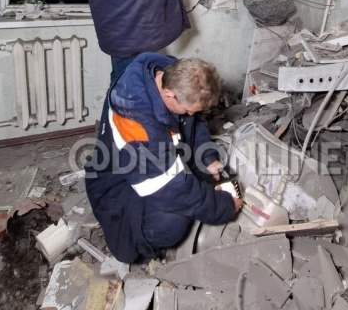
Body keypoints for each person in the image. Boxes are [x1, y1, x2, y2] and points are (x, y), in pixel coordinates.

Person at [84, 53, 242, 263]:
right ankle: (139, 247)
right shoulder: (137, 125)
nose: (190, 114)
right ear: (169, 95)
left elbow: (193, 122)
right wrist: (224, 207)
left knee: (213, 176)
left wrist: (207, 158)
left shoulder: (171, 73)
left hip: (158, 158)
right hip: (118, 182)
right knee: (171, 223)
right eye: (188, 110)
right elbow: (170, 190)